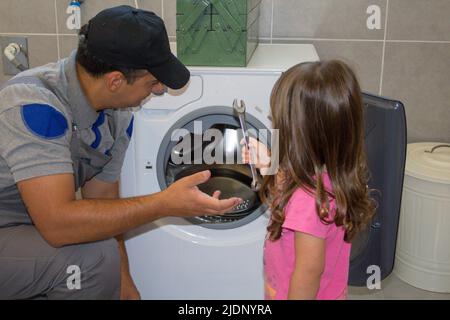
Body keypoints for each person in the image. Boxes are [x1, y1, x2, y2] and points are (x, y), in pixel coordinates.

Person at [0, 6, 241, 300]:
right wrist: (164, 203)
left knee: (102, 262)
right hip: (13, 230)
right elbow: (58, 225)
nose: (161, 88)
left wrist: (123, 280)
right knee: (90, 262)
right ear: (114, 80)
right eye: (152, 81)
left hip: (23, 231)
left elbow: (102, 206)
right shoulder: (34, 106)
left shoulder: (117, 118)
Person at [242, 60, 376, 300]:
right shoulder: (329, 177)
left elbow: (309, 273)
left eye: (279, 123)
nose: (274, 126)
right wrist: (269, 165)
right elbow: (291, 187)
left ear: (300, 136)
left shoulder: (308, 202)